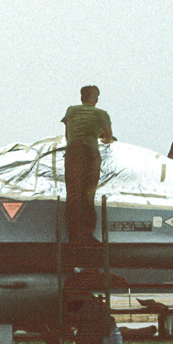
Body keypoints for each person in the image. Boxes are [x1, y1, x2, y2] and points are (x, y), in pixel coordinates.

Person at [61, 85, 114, 244]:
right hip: (90, 154)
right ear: (96, 99)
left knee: (73, 195)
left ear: (81, 97)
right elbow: (108, 138)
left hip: (73, 153)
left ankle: (73, 235)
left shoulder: (71, 111)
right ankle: (87, 234)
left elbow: (68, 135)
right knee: (88, 194)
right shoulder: (102, 114)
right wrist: (103, 137)